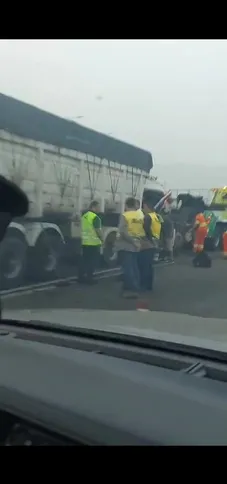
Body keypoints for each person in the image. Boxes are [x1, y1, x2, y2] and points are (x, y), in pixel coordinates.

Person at [116, 197, 142, 298]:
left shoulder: (125, 216)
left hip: (126, 245)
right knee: (134, 268)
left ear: (126, 205)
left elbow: (123, 231)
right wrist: (137, 243)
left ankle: (131, 290)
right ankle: (133, 287)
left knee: (128, 269)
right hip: (136, 245)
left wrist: (132, 242)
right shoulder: (139, 217)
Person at [137, 198, 162, 291]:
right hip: (155, 242)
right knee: (149, 266)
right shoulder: (157, 216)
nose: (143, 209)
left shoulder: (147, 217)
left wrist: (148, 238)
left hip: (148, 243)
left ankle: (143, 285)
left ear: (147, 207)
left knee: (144, 265)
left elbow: (146, 229)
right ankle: (149, 285)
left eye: (144, 207)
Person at [78, 200, 103, 284]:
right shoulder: (95, 217)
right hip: (93, 243)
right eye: (98, 207)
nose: (99, 209)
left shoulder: (84, 216)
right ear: (93, 207)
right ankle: (89, 279)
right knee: (91, 262)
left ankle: (81, 277)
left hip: (85, 242)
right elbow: (98, 230)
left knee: (84, 261)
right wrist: (102, 239)